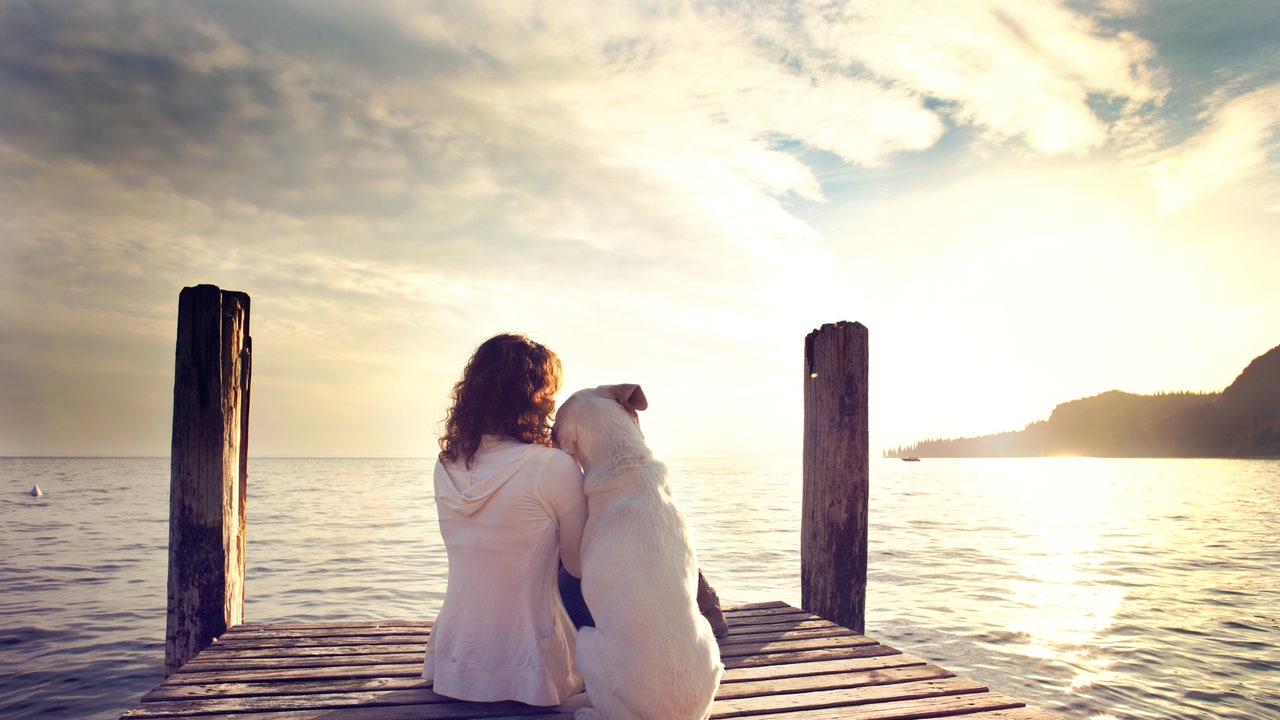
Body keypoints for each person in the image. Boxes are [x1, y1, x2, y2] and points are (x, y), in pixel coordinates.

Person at [423, 334, 588, 706]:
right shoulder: (553, 465)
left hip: (452, 661)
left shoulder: (445, 463)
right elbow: (578, 567)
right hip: (532, 669)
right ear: (536, 397)